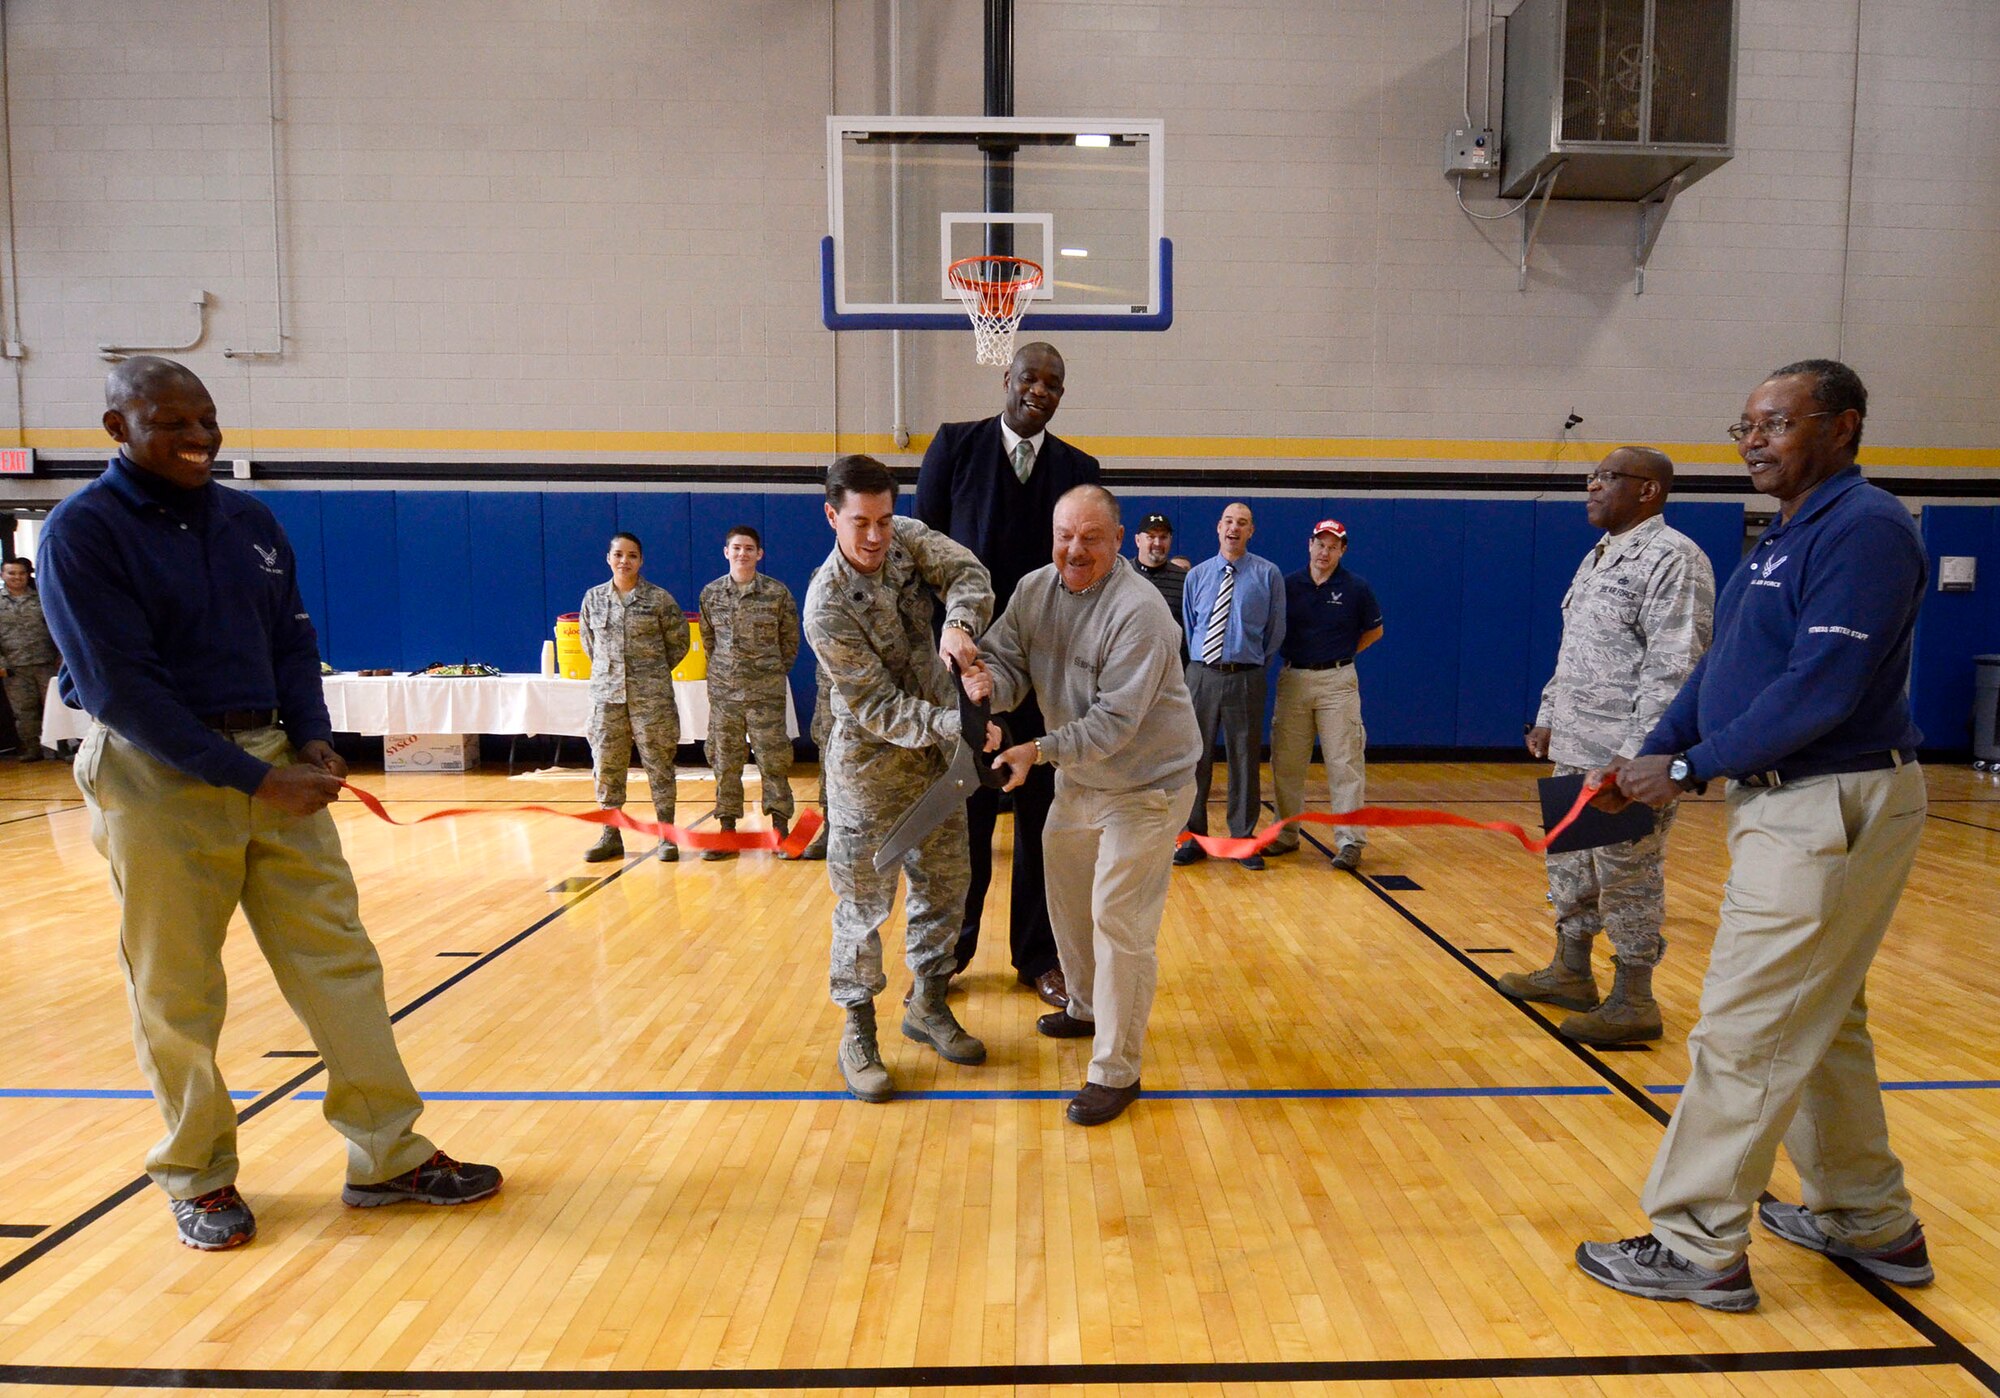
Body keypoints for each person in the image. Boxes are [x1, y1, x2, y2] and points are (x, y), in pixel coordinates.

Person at [38, 357, 500, 1252]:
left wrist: (313, 734)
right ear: (117, 430)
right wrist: (253, 778)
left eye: (207, 418)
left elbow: (293, 638)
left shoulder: (250, 521)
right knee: (176, 990)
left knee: (341, 964)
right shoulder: (81, 534)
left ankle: (388, 1156)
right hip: (156, 773)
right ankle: (199, 1176)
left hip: (274, 763)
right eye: (172, 422)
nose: (199, 438)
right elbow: (119, 689)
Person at [1576, 360, 1933, 1313]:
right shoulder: (1785, 534)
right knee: (1825, 1022)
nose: (1752, 442)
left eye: (1774, 423)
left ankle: (1696, 1247)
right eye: (1743, 426)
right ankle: (1872, 1221)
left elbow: (1825, 689)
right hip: (1787, 804)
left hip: (1830, 802)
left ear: (1844, 426)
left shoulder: (1867, 530)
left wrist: (1692, 769)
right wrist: (1650, 754)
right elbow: (1721, 669)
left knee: (1747, 1027)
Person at [968, 486, 1200, 1126]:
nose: (1076, 549)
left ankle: (1116, 1072)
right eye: (1065, 534)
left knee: (1117, 916)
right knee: (1065, 891)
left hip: (1148, 784)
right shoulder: (1035, 590)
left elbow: (1113, 725)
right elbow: (1010, 662)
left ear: (1118, 541)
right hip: (1081, 777)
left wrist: (1033, 750)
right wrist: (990, 697)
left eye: (1091, 538)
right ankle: (1088, 1006)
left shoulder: (1141, 612)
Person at [1500, 449, 1714, 1044]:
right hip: (1576, 744)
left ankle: (1634, 998)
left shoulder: (1673, 560)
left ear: (1648, 491)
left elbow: (1675, 672)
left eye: (1606, 478)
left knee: (1627, 875)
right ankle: (1571, 971)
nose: (1590, 486)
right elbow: (1577, 650)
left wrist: (1637, 756)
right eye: (1590, 478)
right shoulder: (1598, 557)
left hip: (1626, 760)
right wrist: (1548, 714)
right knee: (1570, 864)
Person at [804, 454, 995, 1102]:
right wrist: (957, 724)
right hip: (870, 774)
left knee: (947, 886)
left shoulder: (907, 539)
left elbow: (969, 571)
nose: (877, 536)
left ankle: (929, 1004)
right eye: (861, 523)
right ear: (833, 516)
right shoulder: (825, 606)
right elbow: (880, 709)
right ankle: (857, 1031)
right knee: (863, 909)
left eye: (885, 519)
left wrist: (960, 625)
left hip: (938, 767)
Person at [915, 340, 1100, 1008]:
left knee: (1041, 821)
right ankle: (951, 951)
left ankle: (1039, 957)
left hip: (1047, 680)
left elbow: (1089, 578)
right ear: (1007, 378)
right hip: (966, 676)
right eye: (1030, 378)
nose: (1040, 391)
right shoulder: (955, 447)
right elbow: (921, 560)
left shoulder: (1080, 471)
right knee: (966, 816)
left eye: (1053, 383)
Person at [1175, 502, 1285, 870]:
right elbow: (1191, 627)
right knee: (1195, 758)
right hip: (1201, 675)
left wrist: (1248, 663)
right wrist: (1206, 663)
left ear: (1251, 531)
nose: (1233, 528)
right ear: (1217, 528)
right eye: (1228, 521)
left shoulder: (1268, 575)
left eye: (1242, 523)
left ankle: (1242, 839)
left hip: (1246, 676)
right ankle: (1193, 838)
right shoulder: (1198, 576)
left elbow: (1274, 632)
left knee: (1244, 760)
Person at [1268, 519, 1383, 871]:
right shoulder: (1287, 585)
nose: (1325, 551)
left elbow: (1374, 631)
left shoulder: (1356, 588)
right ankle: (1286, 835)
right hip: (1294, 679)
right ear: (1309, 545)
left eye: (1333, 546)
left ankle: (1350, 841)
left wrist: (1339, 656)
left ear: (1342, 551)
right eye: (1320, 544)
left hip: (1337, 681)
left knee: (1344, 762)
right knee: (1287, 763)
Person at [578, 531, 689, 863]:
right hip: (607, 699)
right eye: (618, 554)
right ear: (608, 558)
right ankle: (611, 835)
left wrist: (649, 673)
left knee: (659, 766)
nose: (624, 561)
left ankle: (667, 837)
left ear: (641, 561)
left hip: (651, 699)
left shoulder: (659, 600)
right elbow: (589, 645)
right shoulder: (593, 599)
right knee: (607, 767)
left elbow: (678, 644)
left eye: (632, 556)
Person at [697, 525, 800, 861]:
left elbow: (790, 643)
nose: (743, 553)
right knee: (725, 762)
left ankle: (780, 828)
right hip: (725, 696)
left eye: (749, 548)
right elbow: (709, 641)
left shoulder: (777, 593)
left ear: (760, 554)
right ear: (726, 552)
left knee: (774, 760)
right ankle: (727, 830)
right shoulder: (710, 594)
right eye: (736, 548)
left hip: (765, 694)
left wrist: (768, 672)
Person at [0, 556, 60, 762]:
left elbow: (56, 628)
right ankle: (32, 748)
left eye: (21, 573)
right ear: (3, 575)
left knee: (55, 707)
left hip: (46, 662)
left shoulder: (42, 598)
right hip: (14, 666)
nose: (17, 577)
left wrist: (61, 655)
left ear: (28, 575)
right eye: (11, 573)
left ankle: (61, 748)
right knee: (24, 711)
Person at [1131, 512, 1190, 665]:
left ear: (1170, 540)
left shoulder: (1185, 580)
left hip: (1171, 674)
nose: (1157, 543)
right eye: (1150, 536)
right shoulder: (1121, 575)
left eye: (1163, 537)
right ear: (1138, 540)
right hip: (1128, 671)